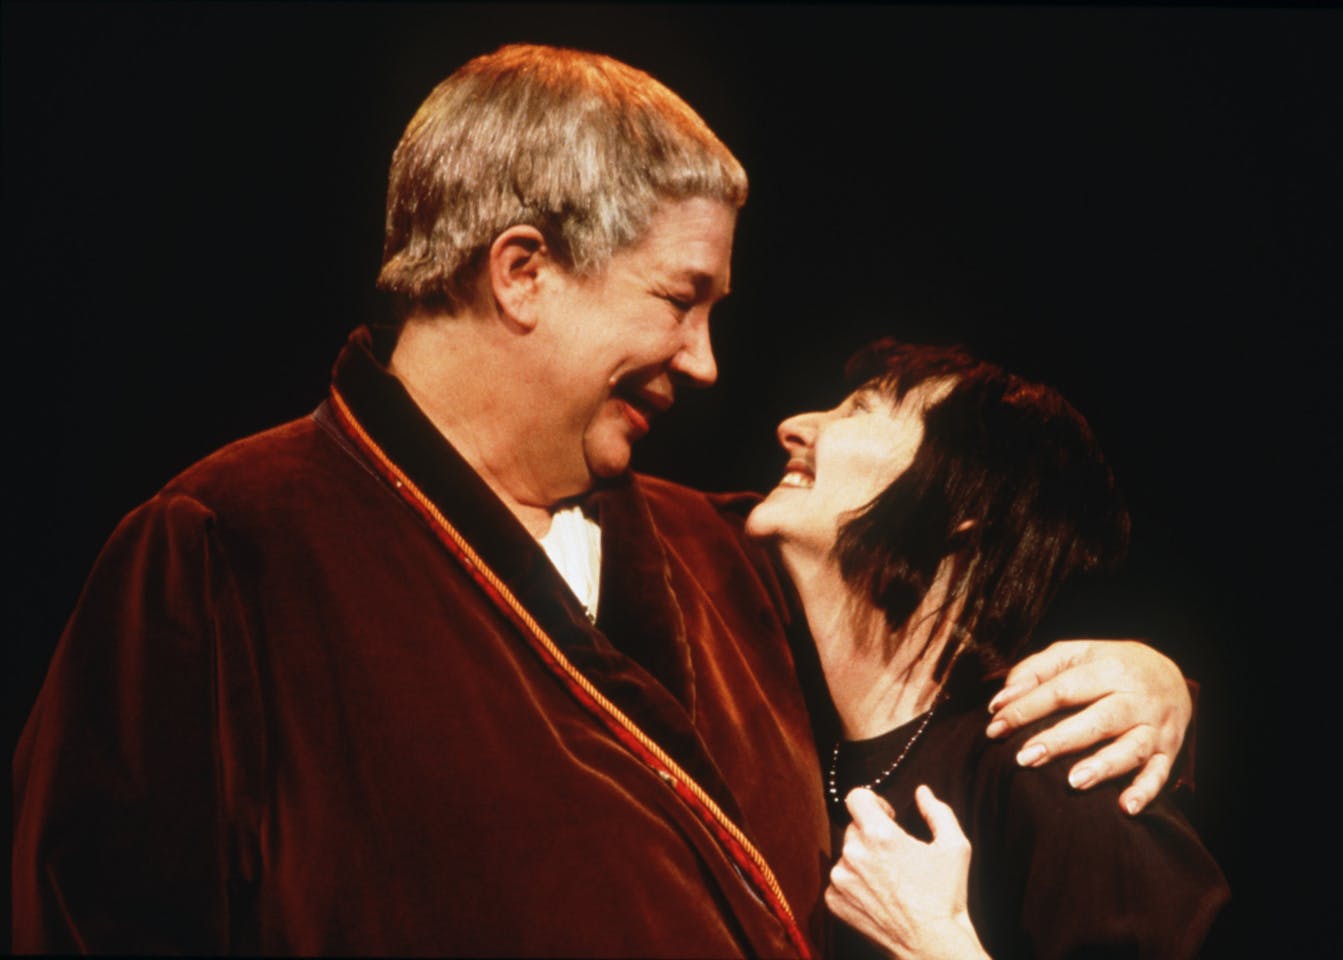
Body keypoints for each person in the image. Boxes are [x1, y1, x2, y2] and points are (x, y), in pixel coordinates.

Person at [13, 46, 1194, 956]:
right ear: (521, 271)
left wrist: (1151, 679)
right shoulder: (230, 547)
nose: (706, 362)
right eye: (680, 299)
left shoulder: (713, 552)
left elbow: (907, 654)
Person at [746, 340, 1230, 959]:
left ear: (959, 509)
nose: (795, 426)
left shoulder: (1056, 768)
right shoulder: (778, 727)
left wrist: (936, 947)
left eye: (862, 409)